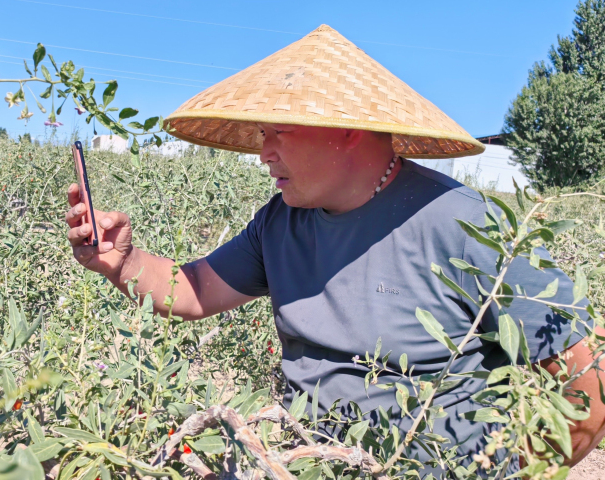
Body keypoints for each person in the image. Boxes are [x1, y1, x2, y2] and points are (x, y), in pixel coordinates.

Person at [66, 25, 604, 476]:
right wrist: (125, 263)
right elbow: (196, 290)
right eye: (260, 134)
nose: (263, 154)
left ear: (345, 129)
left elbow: (588, 382)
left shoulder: (468, 225)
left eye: (277, 131)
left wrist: (521, 470)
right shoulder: (282, 222)